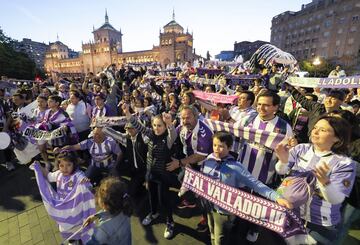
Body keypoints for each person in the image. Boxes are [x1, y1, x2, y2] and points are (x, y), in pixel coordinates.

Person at [275, 116, 356, 244]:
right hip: (287, 212)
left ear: (337, 138)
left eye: (323, 130)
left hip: (317, 224)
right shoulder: (301, 148)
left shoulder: (345, 163)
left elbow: (337, 199)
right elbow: (281, 170)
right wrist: (283, 161)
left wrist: (325, 183)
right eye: (315, 127)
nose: (315, 132)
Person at [203, 131, 292, 245]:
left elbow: (256, 184)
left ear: (230, 147)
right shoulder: (209, 159)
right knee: (211, 233)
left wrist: (277, 197)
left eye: (221, 146)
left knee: (220, 239)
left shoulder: (236, 167)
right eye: (214, 145)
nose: (216, 149)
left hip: (224, 211)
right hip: (209, 205)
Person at [122, 103, 178, 239]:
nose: (157, 128)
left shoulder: (168, 139)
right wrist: (128, 114)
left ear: (164, 127)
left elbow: (173, 134)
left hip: (163, 176)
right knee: (152, 197)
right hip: (151, 173)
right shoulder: (151, 134)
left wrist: (170, 123)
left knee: (163, 199)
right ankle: (153, 213)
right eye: (155, 125)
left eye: (160, 126)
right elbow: (139, 126)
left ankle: (170, 222)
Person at [33, 151, 93, 244]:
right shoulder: (58, 174)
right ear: (58, 165)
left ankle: (80, 239)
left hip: (75, 208)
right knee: (65, 228)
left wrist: (85, 182)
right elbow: (48, 176)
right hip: (63, 208)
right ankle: (72, 241)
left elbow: (86, 183)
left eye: (68, 165)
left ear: (74, 164)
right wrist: (39, 167)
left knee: (77, 226)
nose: (64, 168)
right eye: (61, 165)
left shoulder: (77, 175)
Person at [55, 127, 122, 185]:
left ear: (104, 135)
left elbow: (119, 153)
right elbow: (73, 147)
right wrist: (61, 149)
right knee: (84, 180)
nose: (96, 136)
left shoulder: (110, 142)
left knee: (116, 182)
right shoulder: (89, 142)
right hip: (94, 165)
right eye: (95, 134)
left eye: (99, 135)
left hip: (109, 165)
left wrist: (115, 165)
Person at [84, 177, 132, 245]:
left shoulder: (102, 230)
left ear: (104, 204)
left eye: (98, 195)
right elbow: (109, 212)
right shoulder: (125, 209)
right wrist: (96, 216)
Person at [103, 123, 148, 197]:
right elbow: (113, 133)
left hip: (145, 170)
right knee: (117, 170)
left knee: (144, 190)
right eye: (128, 128)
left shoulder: (143, 137)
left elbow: (151, 134)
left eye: (132, 128)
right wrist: (101, 123)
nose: (130, 130)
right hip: (133, 170)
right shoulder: (126, 139)